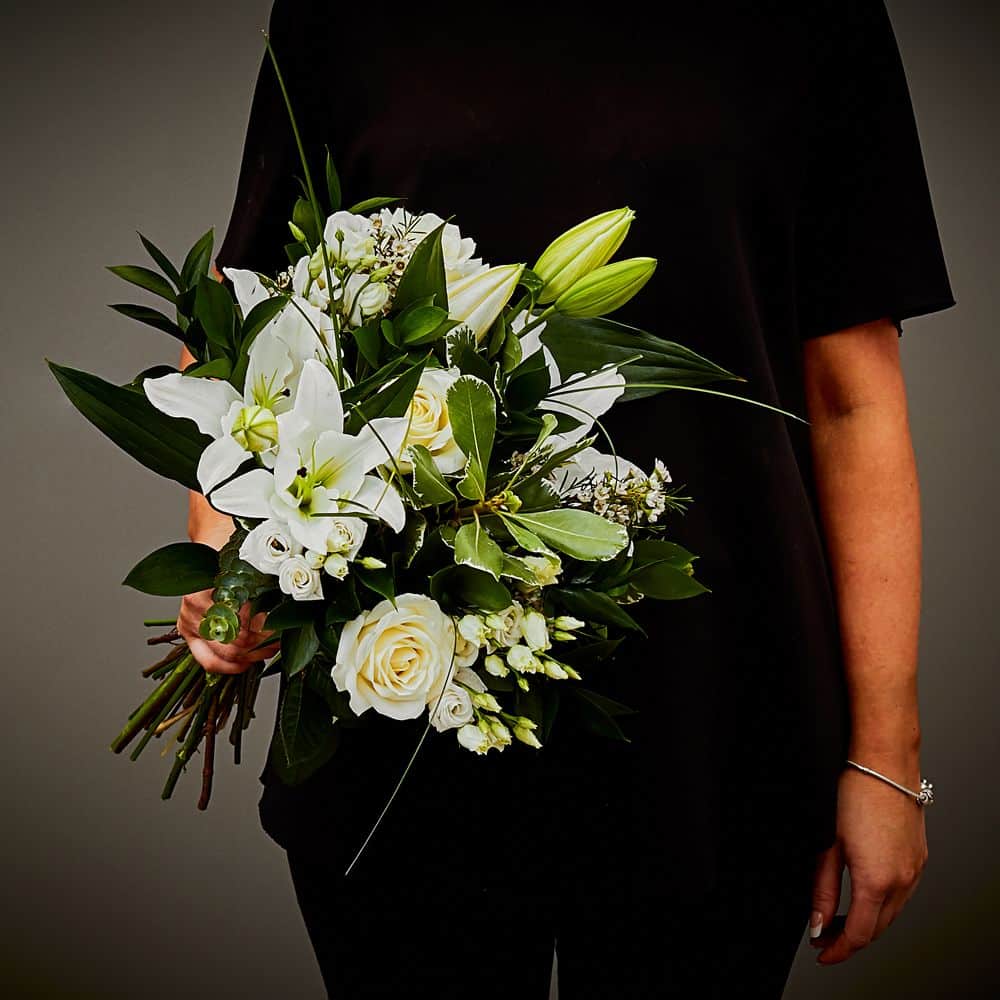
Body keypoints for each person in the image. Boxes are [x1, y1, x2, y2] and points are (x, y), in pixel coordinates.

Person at [176, 2, 955, 996]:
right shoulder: (339, 13)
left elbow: (851, 399)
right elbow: (248, 314)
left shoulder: (815, 24)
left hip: (719, 717)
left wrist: (888, 757)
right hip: (396, 700)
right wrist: (230, 563)